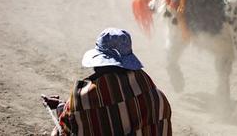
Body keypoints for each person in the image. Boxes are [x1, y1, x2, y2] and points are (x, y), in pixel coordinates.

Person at [42, 28, 172, 135]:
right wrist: (63, 105)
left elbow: (70, 126)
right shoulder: (158, 97)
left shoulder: (83, 100)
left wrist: (63, 108)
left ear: (99, 63)